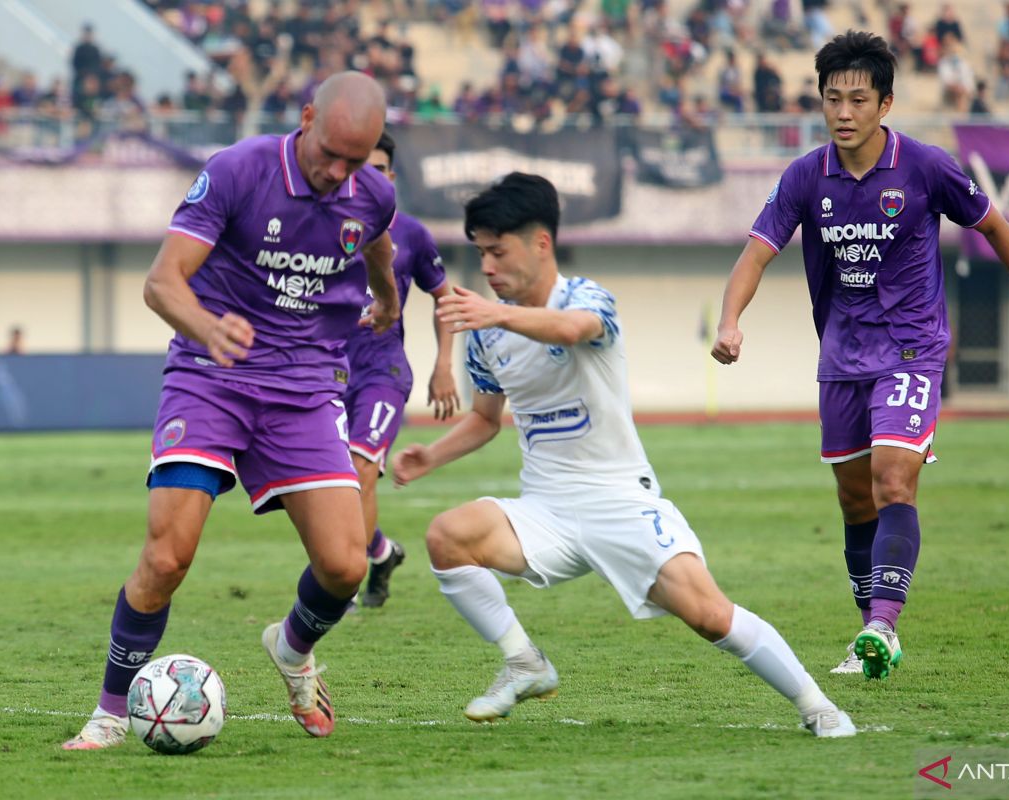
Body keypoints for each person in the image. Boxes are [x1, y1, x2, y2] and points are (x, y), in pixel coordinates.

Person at [391, 173, 856, 737]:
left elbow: (575, 328)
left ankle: (817, 706)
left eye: (497, 251)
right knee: (447, 536)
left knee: (710, 615)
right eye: (481, 253)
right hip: (547, 510)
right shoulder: (486, 334)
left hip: (620, 502)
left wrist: (498, 314)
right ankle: (524, 661)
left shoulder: (585, 298)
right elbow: (486, 419)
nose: (486, 267)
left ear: (541, 243)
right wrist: (430, 458)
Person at [710, 31, 1009, 680]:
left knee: (892, 478)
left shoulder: (926, 167)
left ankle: (885, 621)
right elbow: (757, 249)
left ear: (885, 104)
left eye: (857, 99)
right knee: (855, 501)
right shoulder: (805, 176)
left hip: (912, 350)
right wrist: (730, 319)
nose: (843, 113)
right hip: (842, 357)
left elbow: (994, 225)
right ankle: (868, 637)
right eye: (832, 99)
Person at [62, 71, 401, 750]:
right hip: (209, 377)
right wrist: (207, 329)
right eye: (330, 153)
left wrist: (388, 300)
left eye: (355, 162)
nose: (339, 173)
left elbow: (378, 243)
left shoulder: (373, 196)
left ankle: (293, 647)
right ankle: (108, 713)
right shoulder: (238, 171)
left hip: (302, 389)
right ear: (306, 118)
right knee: (166, 560)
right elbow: (162, 282)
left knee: (345, 566)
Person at [345, 130, 459, 608]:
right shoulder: (317, 226)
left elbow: (444, 296)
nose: (366, 179)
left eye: (376, 169)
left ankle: (340, 583)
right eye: (357, 170)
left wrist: (444, 365)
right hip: (323, 376)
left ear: (390, 176)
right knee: (326, 489)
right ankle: (380, 552)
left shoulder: (410, 233)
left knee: (359, 470)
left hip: (382, 374)